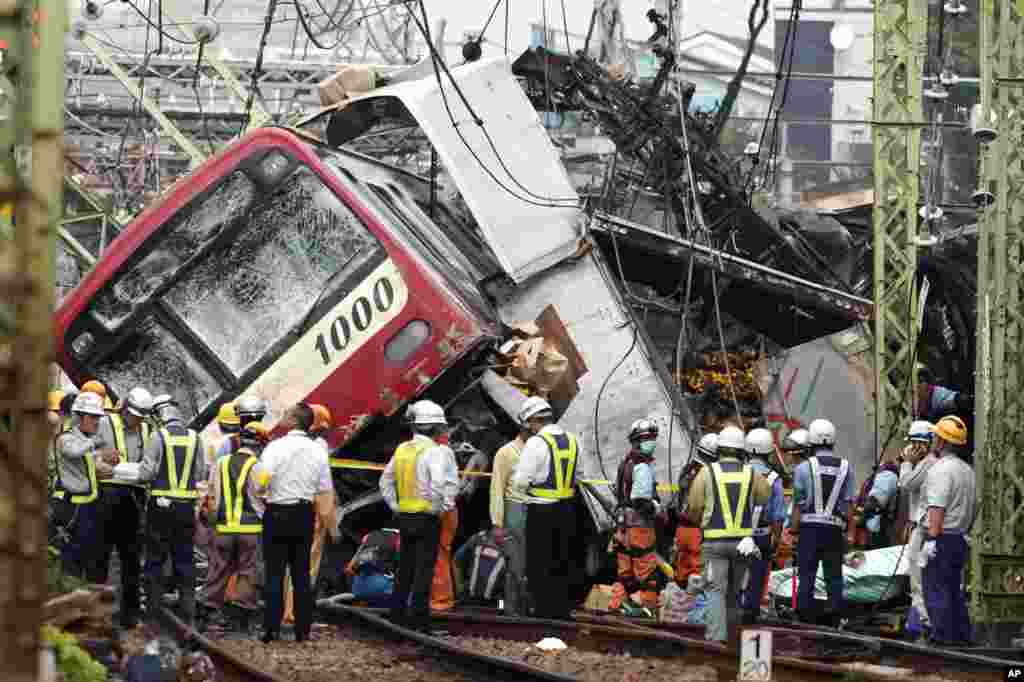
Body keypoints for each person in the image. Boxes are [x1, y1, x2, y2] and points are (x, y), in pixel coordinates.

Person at [254, 403, 337, 643]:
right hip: (303, 514)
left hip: (277, 512)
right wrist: (330, 524)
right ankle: (303, 630)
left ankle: (271, 628)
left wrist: (264, 491)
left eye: (286, 413)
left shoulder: (275, 448)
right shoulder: (318, 452)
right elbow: (324, 490)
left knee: (274, 573)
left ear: (293, 420)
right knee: (301, 574)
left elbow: (261, 480)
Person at [380, 400, 458, 632]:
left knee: (405, 567)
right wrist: (439, 508)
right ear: (435, 428)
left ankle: (397, 617)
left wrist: (396, 506)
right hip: (426, 518)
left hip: (405, 517)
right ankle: (419, 622)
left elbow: (385, 481)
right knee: (424, 570)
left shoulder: (402, 449)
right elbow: (437, 485)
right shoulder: (434, 452)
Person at [687, 425, 770, 643]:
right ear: (741, 450)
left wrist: (702, 523)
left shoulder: (707, 472)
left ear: (720, 449)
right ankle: (733, 640)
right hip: (742, 545)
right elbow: (763, 498)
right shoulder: (751, 474)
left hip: (714, 544)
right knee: (734, 592)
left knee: (715, 590)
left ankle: (716, 639)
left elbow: (694, 506)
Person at [136, 399, 208, 626]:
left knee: (155, 559)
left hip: (160, 506)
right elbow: (198, 474)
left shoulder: (157, 436)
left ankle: (153, 615)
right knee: (185, 560)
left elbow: (146, 473)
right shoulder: (196, 438)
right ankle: (188, 616)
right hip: (186, 507)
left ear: (159, 416)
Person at [511, 396, 581, 621]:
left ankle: (543, 611)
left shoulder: (536, 443)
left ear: (532, 421)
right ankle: (562, 610)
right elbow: (579, 475)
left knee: (540, 562)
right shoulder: (572, 439)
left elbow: (521, 481)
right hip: (568, 510)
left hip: (542, 512)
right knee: (564, 560)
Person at [199, 422, 270, 633]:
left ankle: (204, 615)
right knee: (247, 573)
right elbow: (264, 495)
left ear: (239, 441)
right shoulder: (259, 467)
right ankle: (240, 622)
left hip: (222, 529)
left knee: (217, 571)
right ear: (260, 445)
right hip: (250, 531)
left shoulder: (220, 463)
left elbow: (210, 494)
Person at [96, 386, 155, 628]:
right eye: (134, 415)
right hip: (107, 495)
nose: (136, 420)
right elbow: (83, 450)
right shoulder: (104, 423)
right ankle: (97, 612)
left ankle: (129, 614)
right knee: (100, 556)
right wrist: (100, 454)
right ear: (125, 409)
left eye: (141, 417)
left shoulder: (147, 428)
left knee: (131, 557)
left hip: (134, 496)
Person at [790, 418, 854, 626]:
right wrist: (850, 533)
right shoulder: (846, 468)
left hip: (809, 530)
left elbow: (798, 504)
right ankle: (836, 616)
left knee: (807, 574)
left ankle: (803, 616)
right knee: (834, 575)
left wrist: (793, 529)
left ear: (812, 441)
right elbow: (849, 504)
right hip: (834, 530)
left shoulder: (802, 468)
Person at [921, 415, 976, 646]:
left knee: (935, 588)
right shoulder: (968, 471)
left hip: (941, 537)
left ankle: (941, 638)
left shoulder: (940, 470)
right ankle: (961, 637)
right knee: (955, 591)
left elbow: (937, 507)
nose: (933, 440)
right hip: (960, 538)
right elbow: (975, 507)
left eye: (935, 436)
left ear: (942, 442)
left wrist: (931, 539)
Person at [282, 403, 338, 626]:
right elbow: (324, 489)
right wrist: (331, 523)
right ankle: (296, 613)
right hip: (311, 512)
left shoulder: (286, 444)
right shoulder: (319, 447)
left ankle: (286, 610)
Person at [52, 392, 117, 580]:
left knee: (91, 561)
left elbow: (93, 464)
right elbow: (74, 451)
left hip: (89, 508)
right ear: (78, 416)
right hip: (71, 510)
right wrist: (96, 446)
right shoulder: (66, 438)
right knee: (71, 563)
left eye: (98, 417)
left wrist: (109, 464)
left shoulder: (84, 440)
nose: (97, 422)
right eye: (93, 417)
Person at [609, 418, 663, 617]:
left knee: (625, 572)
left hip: (623, 527)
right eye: (648, 438)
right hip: (640, 527)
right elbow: (640, 500)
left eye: (652, 437)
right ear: (637, 441)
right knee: (647, 571)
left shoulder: (626, 462)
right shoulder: (641, 466)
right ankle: (650, 610)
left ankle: (617, 604)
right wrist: (656, 509)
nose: (652, 442)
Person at [898, 420, 938, 640]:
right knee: (918, 578)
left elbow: (905, 484)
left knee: (918, 580)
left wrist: (906, 463)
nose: (913, 448)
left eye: (917, 443)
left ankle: (924, 623)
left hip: (923, 530)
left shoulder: (928, 464)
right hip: (919, 525)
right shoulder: (927, 463)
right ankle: (919, 621)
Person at [742, 428, 786, 624]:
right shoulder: (774, 479)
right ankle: (751, 614)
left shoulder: (737, 473)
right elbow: (778, 516)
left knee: (736, 574)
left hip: (736, 533)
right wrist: (775, 540)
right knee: (757, 578)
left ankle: (734, 612)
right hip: (761, 536)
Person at [489, 421, 531, 615]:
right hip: (513, 509)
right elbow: (497, 488)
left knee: (528, 565)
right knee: (513, 565)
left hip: (535, 508)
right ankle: (508, 609)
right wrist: (497, 522)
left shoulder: (540, 450)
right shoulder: (506, 453)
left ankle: (524, 609)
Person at [672, 433, 718, 587]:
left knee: (682, 572)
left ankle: (680, 605)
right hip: (696, 530)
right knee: (698, 573)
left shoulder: (687, 468)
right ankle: (695, 608)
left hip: (681, 528)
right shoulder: (707, 474)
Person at [852, 450, 900, 550]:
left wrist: (861, 519)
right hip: (871, 528)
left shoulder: (888, 474)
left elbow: (875, 501)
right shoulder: (885, 473)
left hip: (873, 529)